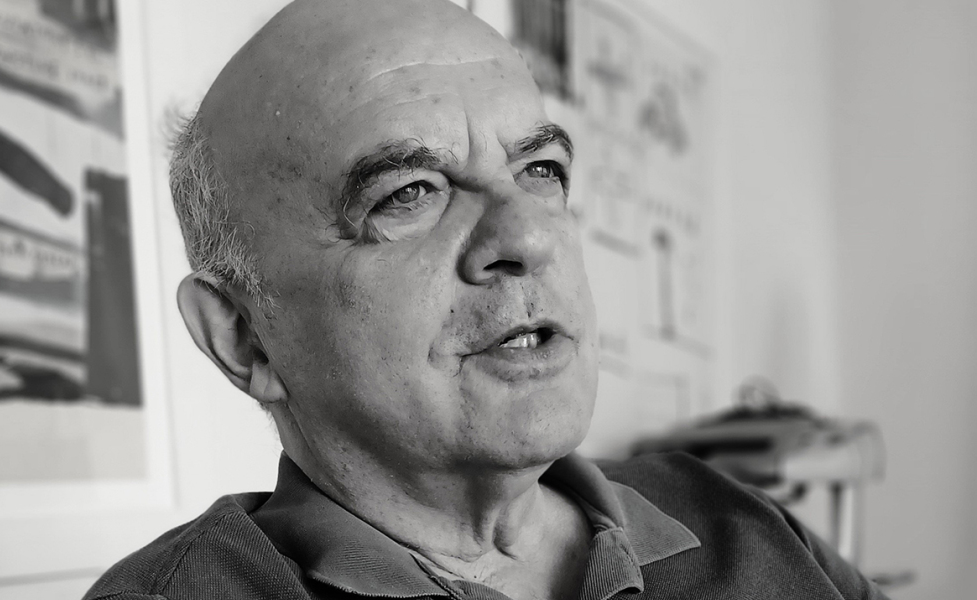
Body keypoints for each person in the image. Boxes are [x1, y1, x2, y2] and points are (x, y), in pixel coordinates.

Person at [84, 1, 889, 598]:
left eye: (541, 171)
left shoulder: (739, 521)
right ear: (242, 337)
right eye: (409, 192)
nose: (528, 235)